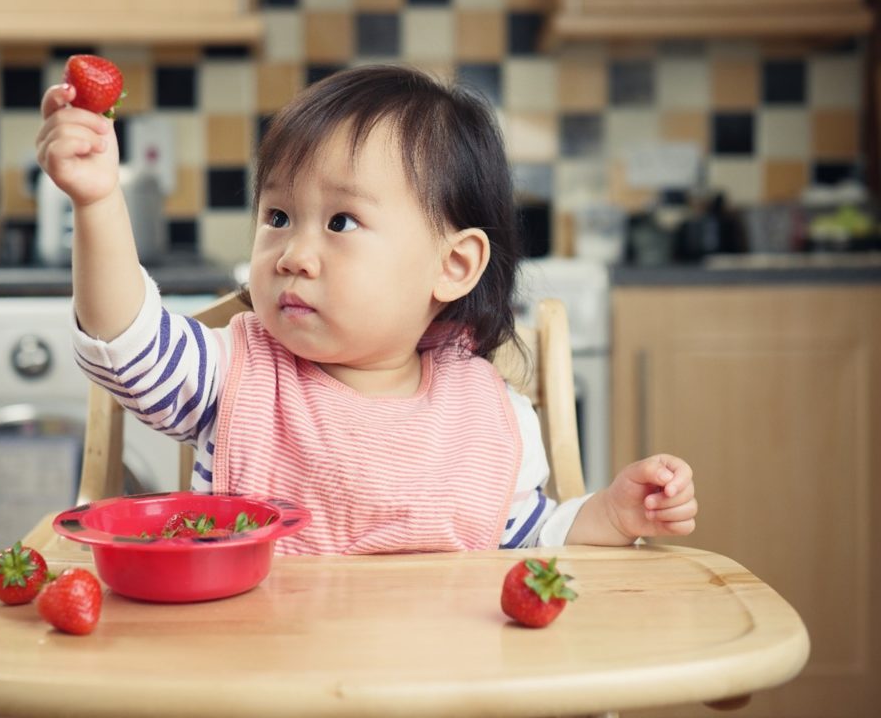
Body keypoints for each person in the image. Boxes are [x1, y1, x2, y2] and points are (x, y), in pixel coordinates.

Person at [36, 64, 696, 554]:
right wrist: (97, 203)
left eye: (342, 221)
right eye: (278, 215)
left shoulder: (493, 417)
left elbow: (523, 539)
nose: (294, 253)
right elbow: (128, 342)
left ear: (453, 266)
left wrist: (611, 515)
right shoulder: (230, 376)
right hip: (262, 683)